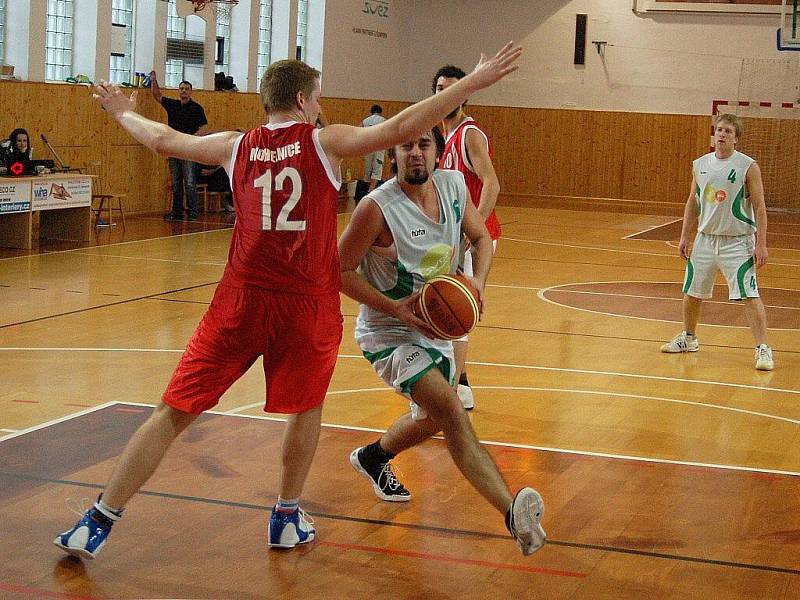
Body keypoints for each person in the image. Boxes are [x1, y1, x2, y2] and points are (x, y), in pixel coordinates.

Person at [53, 42, 524, 559]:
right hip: (306, 304)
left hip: (242, 300)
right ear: (301, 100)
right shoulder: (322, 142)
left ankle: (97, 520)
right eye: (318, 98)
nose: (320, 107)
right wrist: (471, 84)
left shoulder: (236, 145)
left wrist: (123, 112)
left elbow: (163, 140)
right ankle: (284, 514)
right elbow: (396, 129)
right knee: (306, 407)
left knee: (172, 413)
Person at [337, 128, 545, 556]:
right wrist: (397, 310)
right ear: (394, 153)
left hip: (437, 328)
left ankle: (374, 457)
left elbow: (483, 236)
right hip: (389, 332)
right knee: (452, 409)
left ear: (437, 151)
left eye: (424, 145)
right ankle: (512, 514)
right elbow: (337, 271)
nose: (415, 153)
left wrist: (478, 282)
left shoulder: (452, 185)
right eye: (406, 145)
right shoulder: (376, 209)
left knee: (433, 419)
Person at [661, 113, 773, 371]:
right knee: (692, 291)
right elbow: (693, 201)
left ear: (736, 138)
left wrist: (761, 243)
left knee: (749, 294)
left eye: (728, 131)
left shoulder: (747, 166)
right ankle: (688, 338)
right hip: (705, 240)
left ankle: (762, 348)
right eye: (719, 130)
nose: (722, 134)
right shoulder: (700, 164)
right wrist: (684, 235)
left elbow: (759, 206)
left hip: (738, 242)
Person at [432, 65, 502, 410]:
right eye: (441, 88)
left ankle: (455, 386)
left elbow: (492, 182)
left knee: (455, 310)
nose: (446, 93)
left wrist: (475, 229)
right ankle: (460, 380)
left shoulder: (469, 133)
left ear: (465, 95)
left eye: (453, 88)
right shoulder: (442, 138)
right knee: (450, 309)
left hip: (473, 239)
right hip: (455, 238)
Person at [149, 72, 208, 221]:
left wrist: (190, 140)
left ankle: (193, 212)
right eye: (181, 88)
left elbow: (203, 129)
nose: (183, 91)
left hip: (188, 150)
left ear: (191, 91)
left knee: (189, 181)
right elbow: (157, 95)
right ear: (178, 90)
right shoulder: (173, 105)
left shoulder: (196, 108)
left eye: (187, 88)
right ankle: (177, 212)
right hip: (173, 149)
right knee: (176, 182)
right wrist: (154, 80)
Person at [361, 104, 387, 193]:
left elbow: (358, 132)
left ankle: (369, 189)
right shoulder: (383, 120)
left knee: (368, 169)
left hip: (367, 147)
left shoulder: (365, 121)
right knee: (377, 170)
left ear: (371, 112)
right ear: (380, 112)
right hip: (379, 147)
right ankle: (371, 190)